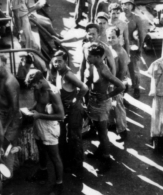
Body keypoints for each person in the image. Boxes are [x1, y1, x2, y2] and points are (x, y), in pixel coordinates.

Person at [47, 50, 88, 182]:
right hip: (65, 110)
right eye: (55, 61)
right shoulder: (58, 73)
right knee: (65, 136)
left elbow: (84, 87)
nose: (57, 63)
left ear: (65, 61)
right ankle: (68, 162)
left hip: (74, 111)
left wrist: (75, 100)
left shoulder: (68, 75)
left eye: (60, 61)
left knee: (74, 137)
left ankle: (78, 165)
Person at [85, 43, 125, 171]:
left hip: (101, 104)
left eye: (90, 56)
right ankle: (100, 150)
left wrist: (108, 95)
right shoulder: (92, 65)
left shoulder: (104, 70)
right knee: (97, 128)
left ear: (97, 57)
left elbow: (121, 86)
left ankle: (106, 159)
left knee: (103, 132)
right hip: (93, 101)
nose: (87, 58)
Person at [25, 70, 64, 195]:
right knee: (41, 150)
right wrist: (31, 109)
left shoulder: (53, 93)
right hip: (39, 122)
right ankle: (43, 172)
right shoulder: (38, 88)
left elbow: (61, 116)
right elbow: (38, 102)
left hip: (49, 126)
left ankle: (59, 184)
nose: (33, 88)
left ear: (41, 81)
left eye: (34, 85)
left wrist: (39, 115)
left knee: (54, 156)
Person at [106, 26, 129, 142]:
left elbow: (123, 71)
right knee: (110, 106)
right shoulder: (108, 48)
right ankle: (112, 124)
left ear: (118, 37)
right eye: (108, 37)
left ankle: (122, 130)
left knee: (119, 107)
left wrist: (116, 85)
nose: (110, 39)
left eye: (113, 37)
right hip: (109, 82)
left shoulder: (121, 52)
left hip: (117, 83)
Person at [120, 0, 145, 99]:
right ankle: (124, 87)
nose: (125, 6)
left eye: (128, 4)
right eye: (123, 4)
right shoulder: (119, 16)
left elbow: (141, 34)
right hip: (121, 46)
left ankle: (136, 87)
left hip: (132, 46)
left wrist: (140, 47)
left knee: (134, 69)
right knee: (122, 69)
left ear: (132, 6)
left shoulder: (137, 18)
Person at [80, 23, 116, 88]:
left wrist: (111, 84)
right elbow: (82, 65)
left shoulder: (105, 48)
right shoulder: (85, 46)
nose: (91, 36)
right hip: (88, 80)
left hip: (101, 82)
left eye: (93, 34)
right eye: (89, 34)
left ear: (98, 34)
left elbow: (113, 67)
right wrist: (81, 82)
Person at [147, 57, 163, 148]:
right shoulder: (156, 64)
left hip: (160, 93)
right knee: (157, 116)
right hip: (159, 94)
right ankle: (155, 136)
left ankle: (159, 137)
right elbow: (153, 79)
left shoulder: (156, 64)